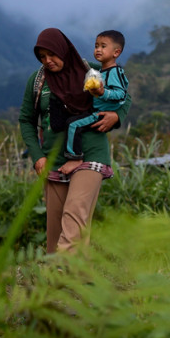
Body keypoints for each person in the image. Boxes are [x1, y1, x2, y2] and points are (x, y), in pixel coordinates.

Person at [18, 28, 131, 254]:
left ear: (64, 50)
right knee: (56, 229)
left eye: (52, 55)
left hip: (91, 153)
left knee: (75, 212)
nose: (47, 61)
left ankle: (61, 270)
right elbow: (26, 120)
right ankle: (75, 280)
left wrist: (117, 116)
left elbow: (124, 94)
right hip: (54, 158)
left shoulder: (90, 70)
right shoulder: (38, 80)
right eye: (42, 57)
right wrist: (37, 156)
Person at [60, 30, 129, 175]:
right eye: (96, 46)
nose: (98, 49)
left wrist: (103, 93)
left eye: (103, 46)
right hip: (94, 109)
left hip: (99, 113)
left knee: (72, 124)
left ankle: (74, 157)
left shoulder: (114, 72)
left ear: (116, 52)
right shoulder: (100, 71)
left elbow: (121, 94)